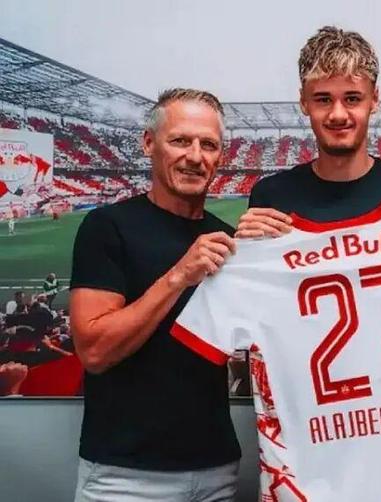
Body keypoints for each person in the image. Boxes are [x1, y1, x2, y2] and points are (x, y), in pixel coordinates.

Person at [69, 88, 241, 502]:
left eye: (208, 145)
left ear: (220, 156)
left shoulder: (228, 239)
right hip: (125, 477)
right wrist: (179, 275)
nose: (195, 156)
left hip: (216, 470)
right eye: (180, 140)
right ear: (149, 143)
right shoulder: (107, 227)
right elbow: (94, 351)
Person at [236, 26, 381, 239]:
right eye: (323, 100)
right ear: (304, 102)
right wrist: (246, 244)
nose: (338, 114)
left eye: (352, 99)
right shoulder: (271, 198)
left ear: (374, 99)